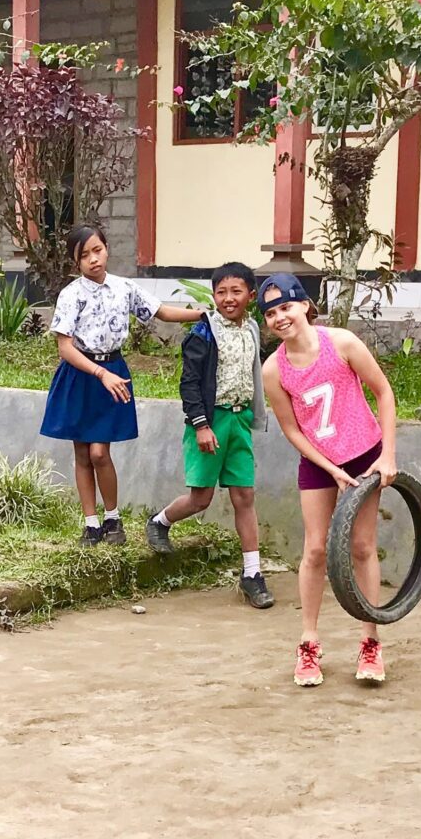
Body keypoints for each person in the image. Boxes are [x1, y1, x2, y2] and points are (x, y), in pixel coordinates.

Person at [259, 273, 398, 688]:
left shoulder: (343, 343)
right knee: (316, 549)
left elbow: (384, 392)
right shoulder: (273, 370)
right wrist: (331, 469)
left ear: (304, 305)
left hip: (365, 454)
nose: (280, 317)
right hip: (319, 462)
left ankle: (370, 640)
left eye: (285, 306)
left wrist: (387, 455)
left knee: (361, 546)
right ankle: (308, 643)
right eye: (270, 313)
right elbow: (292, 430)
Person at [40, 223, 205, 546]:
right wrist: (99, 374)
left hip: (113, 370)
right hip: (81, 375)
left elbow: (160, 311)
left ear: (107, 248)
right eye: (84, 255)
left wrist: (202, 315)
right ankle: (91, 524)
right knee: (83, 453)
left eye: (97, 250)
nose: (93, 259)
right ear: (76, 262)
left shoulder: (124, 288)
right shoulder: (70, 295)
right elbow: (65, 347)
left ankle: (113, 519)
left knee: (101, 452)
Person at [144, 261, 273, 609]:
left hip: (239, 420)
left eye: (236, 291)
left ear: (250, 294)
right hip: (210, 421)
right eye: (221, 292)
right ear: (213, 295)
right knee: (201, 498)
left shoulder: (252, 330)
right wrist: (201, 425)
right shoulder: (203, 333)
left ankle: (252, 574)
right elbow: (189, 383)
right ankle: (159, 522)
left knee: (244, 495)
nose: (228, 299)